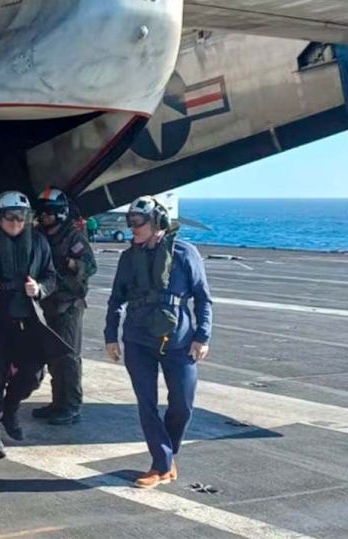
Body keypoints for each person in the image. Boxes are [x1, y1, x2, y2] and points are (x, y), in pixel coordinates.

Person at [104, 195, 213, 488]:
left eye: (138, 223)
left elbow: (203, 298)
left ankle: (168, 457)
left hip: (179, 342)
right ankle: (161, 464)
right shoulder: (128, 258)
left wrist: (203, 335)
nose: (132, 229)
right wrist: (110, 336)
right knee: (147, 404)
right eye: (130, 223)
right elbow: (116, 299)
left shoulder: (185, 254)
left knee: (183, 405)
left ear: (157, 223)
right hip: (138, 341)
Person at [0, 191, 71, 459]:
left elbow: (51, 277)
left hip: (27, 321)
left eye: (22, 218)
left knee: (34, 374)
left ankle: (10, 407)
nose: (16, 223)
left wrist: (39, 288)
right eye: (10, 217)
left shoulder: (39, 243)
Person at [31, 187, 96, 425]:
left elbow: (90, 266)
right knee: (55, 356)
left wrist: (71, 263)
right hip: (49, 302)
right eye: (41, 212)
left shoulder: (73, 236)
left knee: (68, 357)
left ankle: (70, 407)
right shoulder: (40, 234)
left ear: (59, 213)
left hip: (69, 304)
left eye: (48, 212)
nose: (43, 215)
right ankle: (58, 402)